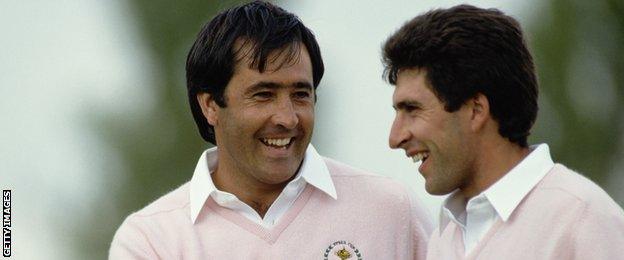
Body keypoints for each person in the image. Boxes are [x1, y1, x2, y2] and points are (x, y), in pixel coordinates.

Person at [109, 1, 432, 259]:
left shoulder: (390, 210)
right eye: (263, 95)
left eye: (300, 95)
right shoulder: (153, 240)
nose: (288, 118)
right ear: (210, 105)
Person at [383, 4, 624, 259]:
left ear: (476, 110)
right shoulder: (445, 236)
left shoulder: (583, 220)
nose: (395, 138)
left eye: (412, 109)